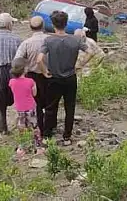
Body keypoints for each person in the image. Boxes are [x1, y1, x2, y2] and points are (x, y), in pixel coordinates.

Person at [37, 10, 92, 146]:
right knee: (70, 107)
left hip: (54, 78)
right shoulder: (75, 39)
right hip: (70, 77)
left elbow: (39, 59)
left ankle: (47, 134)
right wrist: (79, 65)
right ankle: (67, 135)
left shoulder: (49, 40)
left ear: (53, 24)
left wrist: (44, 72)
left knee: (51, 107)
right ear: (66, 24)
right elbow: (91, 52)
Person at [14, 16, 50, 133]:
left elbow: (17, 60)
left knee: (37, 103)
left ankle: (39, 127)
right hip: (50, 74)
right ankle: (49, 127)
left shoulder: (26, 43)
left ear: (30, 27)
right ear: (43, 26)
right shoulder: (50, 40)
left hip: (33, 76)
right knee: (50, 103)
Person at [9, 57, 43, 153]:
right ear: (25, 69)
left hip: (19, 108)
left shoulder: (11, 82)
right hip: (30, 107)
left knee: (21, 127)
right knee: (34, 126)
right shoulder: (30, 81)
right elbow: (34, 94)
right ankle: (38, 146)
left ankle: (22, 147)